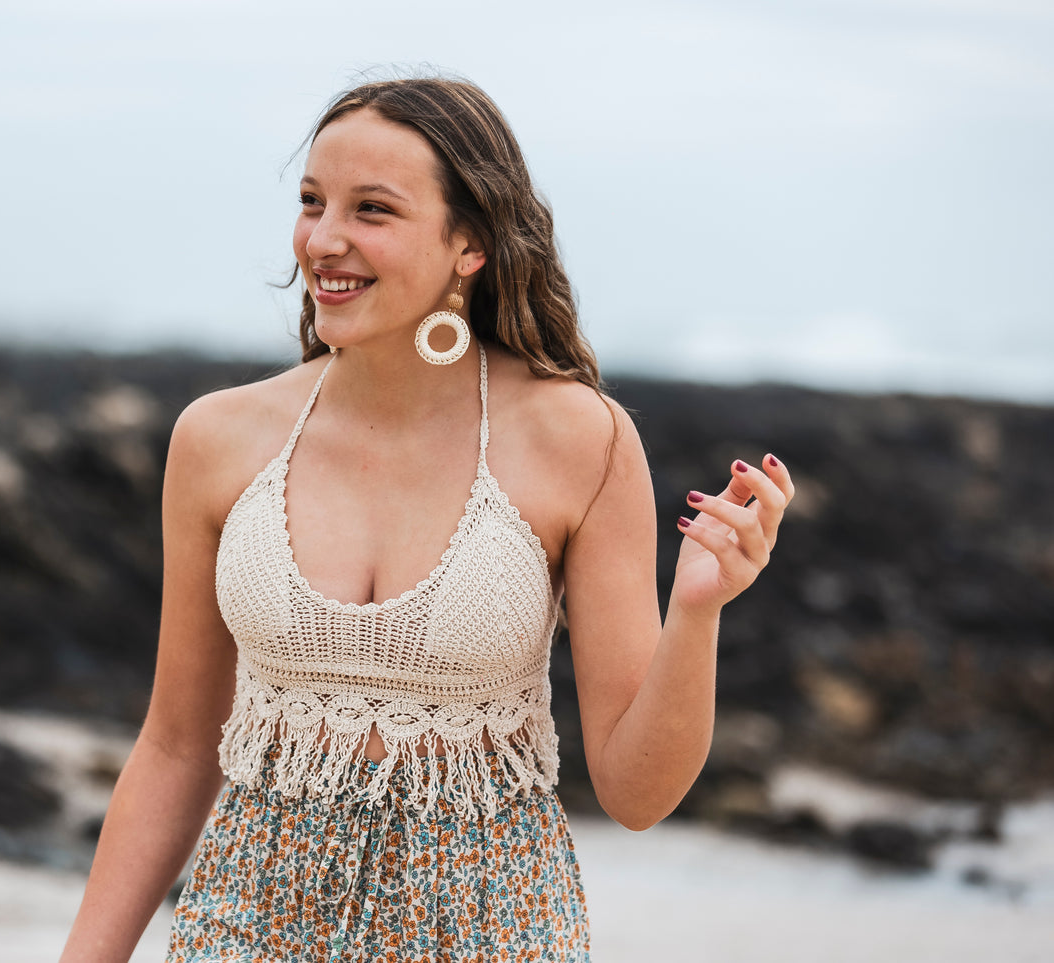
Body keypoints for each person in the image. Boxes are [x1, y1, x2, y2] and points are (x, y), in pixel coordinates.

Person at [58, 75, 795, 963]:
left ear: (469, 244)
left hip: (490, 937)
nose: (322, 239)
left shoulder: (579, 439)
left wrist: (696, 611)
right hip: (242, 933)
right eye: (311, 201)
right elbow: (177, 747)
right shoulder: (219, 438)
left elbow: (635, 794)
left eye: (371, 209)